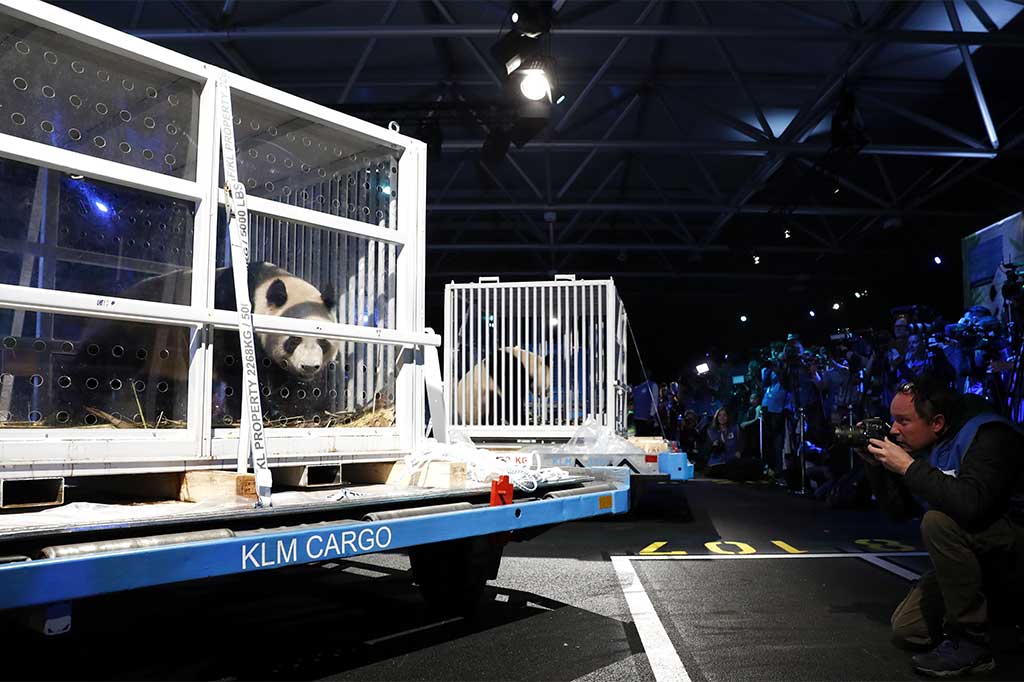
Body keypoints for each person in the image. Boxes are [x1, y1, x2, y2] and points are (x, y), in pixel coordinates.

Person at [859, 376, 1024, 677]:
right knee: (908, 630)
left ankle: (972, 642)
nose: (894, 430)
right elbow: (900, 512)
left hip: (1012, 545)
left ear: (936, 422)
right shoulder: (931, 441)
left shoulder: (989, 435)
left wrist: (908, 467)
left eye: (903, 421)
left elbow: (971, 505)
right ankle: (997, 618)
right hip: (979, 550)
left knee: (938, 521)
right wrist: (878, 470)